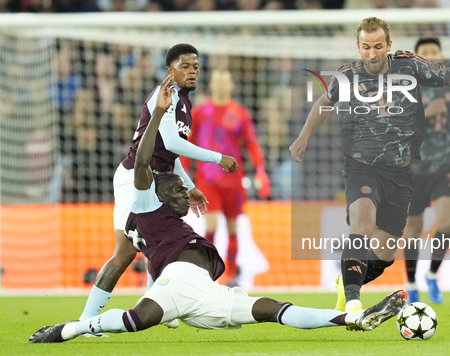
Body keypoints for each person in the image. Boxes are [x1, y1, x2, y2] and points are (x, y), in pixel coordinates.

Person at [29, 77, 408, 343]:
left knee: (272, 309)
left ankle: (353, 318)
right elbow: (144, 161)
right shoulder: (147, 202)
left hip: (201, 290)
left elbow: (171, 195)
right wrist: (158, 114)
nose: (186, 191)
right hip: (178, 282)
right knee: (133, 320)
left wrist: (193, 185)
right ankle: (72, 328)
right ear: (156, 194)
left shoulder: (170, 214)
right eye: (178, 187)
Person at [290, 17, 450, 314]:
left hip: (403, 172)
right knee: (363, 222)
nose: (373, 53)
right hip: (362, 167)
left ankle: (347, 282)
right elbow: (324, 103)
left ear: (389, 46)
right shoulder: (346, 75)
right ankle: (353, 304)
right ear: (358, 47)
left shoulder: (410, 65)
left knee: (385, 252)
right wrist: (303, 136)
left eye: (378, 46)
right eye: (366, 47)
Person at [78, 44, 239, 334]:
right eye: (186, 66)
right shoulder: (164, 96)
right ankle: (85, 321)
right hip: (134, 178)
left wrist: (190, 187)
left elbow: (169, 155)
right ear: (170, 70)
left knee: (162, 242)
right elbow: (173, 142)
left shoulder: (185, 104)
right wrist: (218, 157)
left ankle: (157, 304)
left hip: (159, 180)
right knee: (126, 252)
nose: (192, 71)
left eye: (196, 66)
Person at [181, 70, 270, 286]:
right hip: (208, 179)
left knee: (232, 228)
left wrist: (260, 170)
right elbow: (187, 146)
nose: (221, 85)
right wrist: (183, 176)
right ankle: (209, 271)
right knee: (211, 225)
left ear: (231, 85)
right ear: (211, 84)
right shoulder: (201, 112)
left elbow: (251, 143)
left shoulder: (239, 113)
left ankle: (231, 275)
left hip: (233, 180)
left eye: (224, 81)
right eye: (217, 81)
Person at [403, 38, 450, 305]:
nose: (431, 56)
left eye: (435, 51)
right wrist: (425, 112)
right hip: (416, 167)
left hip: (446, 164)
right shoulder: (406, 89)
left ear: (441, 56)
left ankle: (432, 274)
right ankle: (411, 283)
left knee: (445, 222)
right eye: (425, 53)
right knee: (414, 228)